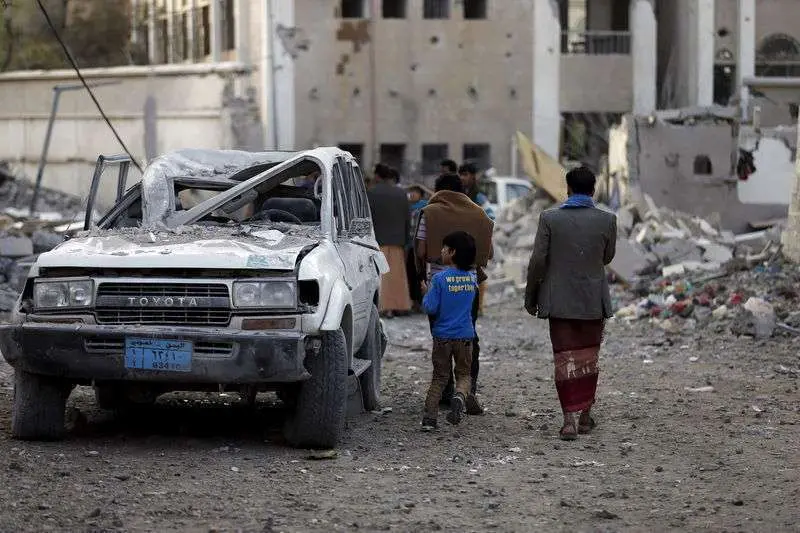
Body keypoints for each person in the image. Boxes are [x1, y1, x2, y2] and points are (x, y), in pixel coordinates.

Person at [524, 166, 617, 441]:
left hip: (559, 300)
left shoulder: (549, 218)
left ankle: (569, 421)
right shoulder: (608, 220)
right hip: (592, 301)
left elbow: (538, 261)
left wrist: (531, 296)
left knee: (564, 358)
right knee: (589, 357)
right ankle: (586, 414)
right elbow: (607, 257)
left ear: (567, 189)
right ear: (594, 190)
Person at [415, 173, 493, 415]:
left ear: (438, 190)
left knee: (441, 336)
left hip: (437, 283)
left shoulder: (429, 213)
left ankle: (445, 390)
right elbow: (487, 253)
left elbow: (420, 250)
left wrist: (421, 279)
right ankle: (467, 389)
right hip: (468, 286)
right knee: (468, 334)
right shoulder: (479, 213)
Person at [420, 231, 479, 431]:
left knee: (439, 378)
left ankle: (429, 420)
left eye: (444, 248)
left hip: (442, 337)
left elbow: (430, 307)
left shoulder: (439, 279)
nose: (442, 252)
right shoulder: (472, 280)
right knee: (464, 375)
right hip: (465, 336)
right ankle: (460, 397)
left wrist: (426, 292)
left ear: (452, 252)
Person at [368, 163, 412, 318]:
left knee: (381, 277)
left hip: (377, 241)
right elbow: (408, 219)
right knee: (396, 277)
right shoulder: (401, 194)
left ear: (378, 176)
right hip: (397, 241)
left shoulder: (371, 193)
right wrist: (407, 240)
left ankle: (382, 307)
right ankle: (396, 306)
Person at [458, 162, 494, 315]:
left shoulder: (478, 196)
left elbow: (491, 216)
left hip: (476, 241)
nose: (462, 178)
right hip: (461, 240)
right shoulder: (459, 193)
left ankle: (479, 307)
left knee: (478, 275)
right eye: (461, 174)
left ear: (472, 176)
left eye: (465, 174)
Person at [405, 185, 428, 312]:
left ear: (421, 194)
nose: (412, 195)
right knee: (411, 274)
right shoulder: (406, 207)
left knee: (422, 273)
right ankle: (414, 301)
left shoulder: (425, 206)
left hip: (422, 245)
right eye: (411, 192)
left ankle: (422, 301)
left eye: (415, 192)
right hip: (410, 245)